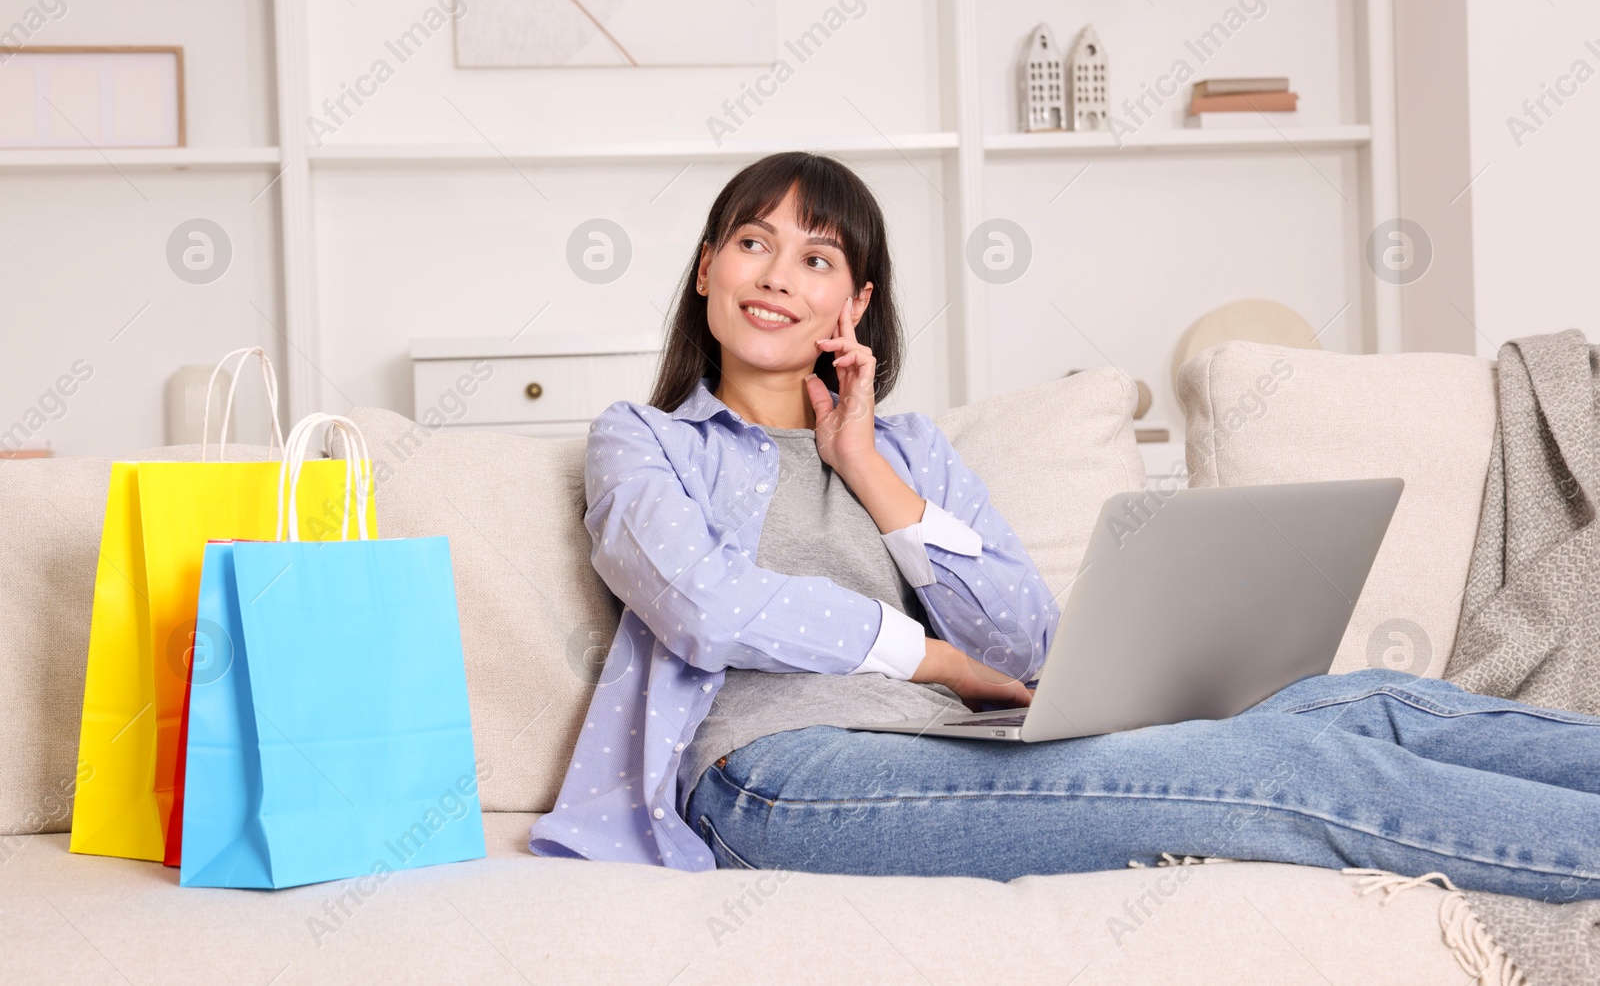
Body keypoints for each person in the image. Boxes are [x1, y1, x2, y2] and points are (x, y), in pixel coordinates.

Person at [528, 152, 1600, 903]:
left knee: (1366, 701)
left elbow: (1027, 646)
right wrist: (927, 655)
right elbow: (707, 605)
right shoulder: (643, 442)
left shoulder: (907, 453)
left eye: (814, 258)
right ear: (708, 266)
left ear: (853, 302)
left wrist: (865, 470)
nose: (774, 273)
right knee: (1290, 768)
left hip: (957, 740)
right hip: (775, 771)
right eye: (753, 241)